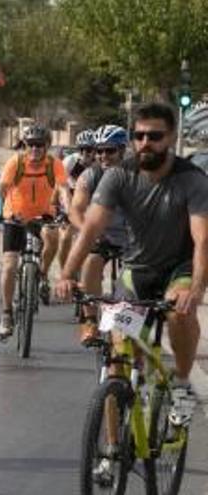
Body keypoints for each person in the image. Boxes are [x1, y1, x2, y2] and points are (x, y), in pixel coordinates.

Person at [57, 103, 208, 426]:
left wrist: (195, 289)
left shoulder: (192, 179)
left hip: (177, 269)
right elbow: (91, 228)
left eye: (154, 136)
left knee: (179, 313)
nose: (145, 143)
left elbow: (202, 239)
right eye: (139, 136)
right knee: (117, 365)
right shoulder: (118, 175)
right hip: (136, 271)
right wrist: (67, 274)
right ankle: (111, 455)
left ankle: (182, 384)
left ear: (171, 137)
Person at [0, 124, 70, 339]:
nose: (35, 149)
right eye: (31, 145)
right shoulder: (16, 162)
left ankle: (43, 275)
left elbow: (64, 190)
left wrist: (69, 211)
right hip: (15, 216)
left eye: (40, 145)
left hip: (43, 216)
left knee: (53, 236)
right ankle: (7, 313)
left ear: (47, 146)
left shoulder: (54, 164)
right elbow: (1, 189)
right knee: (9, 265)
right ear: (25, 145)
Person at [68, 125, 130, 346]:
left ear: (123, 150)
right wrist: (88, 231)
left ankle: (127, 328)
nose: (103, 156)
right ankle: (90, 320)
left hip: (131, 237)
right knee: (90, 263)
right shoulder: (90, 175)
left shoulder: (137, 175)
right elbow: (75, 209)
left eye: (110, 151)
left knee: (133, 280)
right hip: (101, 234)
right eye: (99, 151)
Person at [57, 129, 96, 271]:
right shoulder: (70, 161)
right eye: (82, 149)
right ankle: (64, 271)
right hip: (71, 197)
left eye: (90, 149)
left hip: (91, 199)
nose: (86, 152)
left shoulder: (98, 163)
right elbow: (61, 185)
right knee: (66, 238)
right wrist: (63, 206)